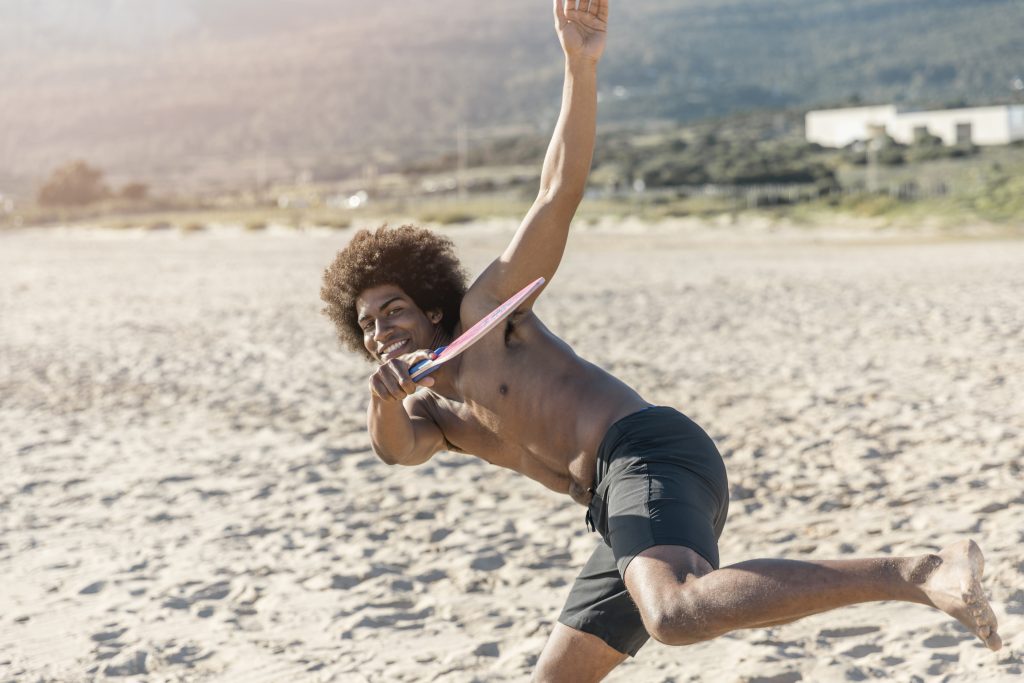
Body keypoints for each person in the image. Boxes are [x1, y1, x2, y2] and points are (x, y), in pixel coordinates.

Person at [320, 1, 1001, 680]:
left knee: (674, 613)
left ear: (432, 306)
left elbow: (557, 192)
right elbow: (395, 449)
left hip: (646, 452)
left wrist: (578, 67)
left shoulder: (488, 313)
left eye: (392, 308)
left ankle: (918, 570)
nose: (381, 329)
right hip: (617, 510)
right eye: (369, 324)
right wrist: (382, 400)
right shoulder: (436, 413)